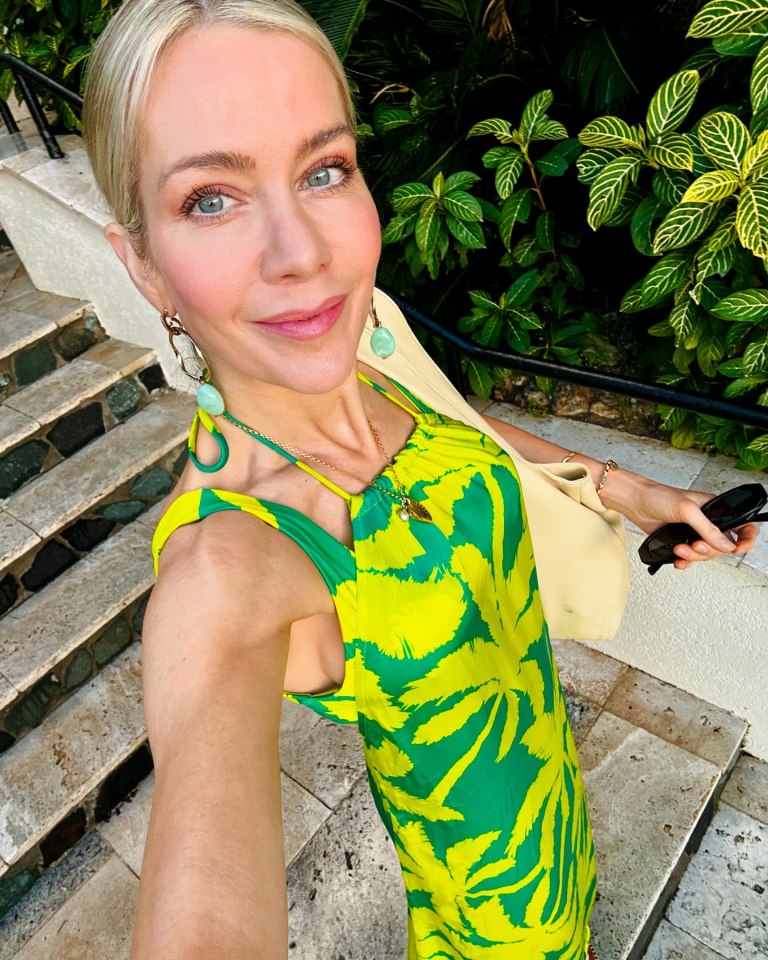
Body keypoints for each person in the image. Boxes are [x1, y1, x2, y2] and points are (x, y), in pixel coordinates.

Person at [82, 2, 757, 958]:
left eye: (324, 171)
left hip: (556, 811)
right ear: (143, 266)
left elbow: (463, 428)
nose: (302, 254)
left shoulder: (361, 334)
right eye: (211, 198)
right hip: (490, 926)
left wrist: (631, 491)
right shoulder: (229, 562)